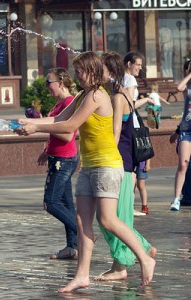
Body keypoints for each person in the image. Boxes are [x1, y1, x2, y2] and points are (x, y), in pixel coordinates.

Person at [17, 51, 156, 292]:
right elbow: (60, 117)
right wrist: (26, 122)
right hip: (90, 166)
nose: (76, 75)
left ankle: (145, 258)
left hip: (107, 165)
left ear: (91, 71)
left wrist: (35, 128)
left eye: (79, 71)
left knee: (108, 219)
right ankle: (82, 276)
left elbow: (70, 126)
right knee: (82, 222)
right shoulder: (82, 95)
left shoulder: (97, 95)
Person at [94, 51, 156, 282]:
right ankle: (141, 248)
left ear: (109, 72)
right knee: (112, 217)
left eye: (99, 69)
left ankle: (122, 266)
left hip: (119, 164)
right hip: (123, 164)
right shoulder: (120, 95)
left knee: (113, 218)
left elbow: (115, 133)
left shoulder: (118, 97)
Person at [24, 68, 79, 259]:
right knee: (66, 203)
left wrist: (37, 126)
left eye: (49, 82)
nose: (47, 86)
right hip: (58, 158)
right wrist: (46, 150)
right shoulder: (60, 103)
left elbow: (68, 134)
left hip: (64, 160)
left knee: (51, 202)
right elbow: (54, 128)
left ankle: (83, 233)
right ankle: (73, 247)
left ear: (61, 82)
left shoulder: (70, 103)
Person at [123, 51, 154, 216]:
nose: (140, 68)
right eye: (138, 64)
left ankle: (127, 204)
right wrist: (147, 100)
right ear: (129, 64)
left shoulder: (120, 78)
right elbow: (129, 104)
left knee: (129, 168)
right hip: (132, 127)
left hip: (125, 125)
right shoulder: (130, 79)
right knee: (133, 168)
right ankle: (128, 205)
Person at [170, 59, 191, 211]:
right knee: (183, 163)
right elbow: (179, 87)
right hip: (187, 129)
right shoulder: (187, 86)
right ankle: (177, 198)